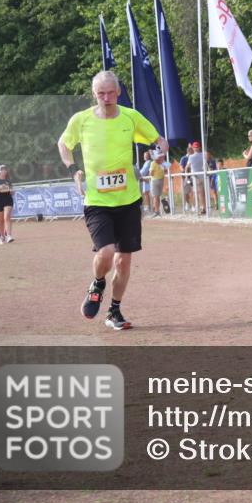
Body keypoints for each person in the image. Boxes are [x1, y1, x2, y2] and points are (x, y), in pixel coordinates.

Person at [58, 70, 168, 330]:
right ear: (94, 94)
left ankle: (114, 311)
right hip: (97, 202)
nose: (106, 98)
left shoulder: (131, 117)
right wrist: (72, 169)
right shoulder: (81, 120)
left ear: (118, 92)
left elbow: (158, 140)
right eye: (100, 93)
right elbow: (64, 143)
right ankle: (97, 283)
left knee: (123, 260)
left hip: (128, 200)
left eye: (110, 92)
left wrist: (160, 151)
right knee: (106, 252)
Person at [186, 141, 206, 215]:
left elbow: (187, 167)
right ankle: (203, 207)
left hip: (196, 177)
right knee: (202, 193)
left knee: (197, 193)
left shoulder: (191, 156)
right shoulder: (203, 154)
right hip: (203, 175)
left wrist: (187, 176)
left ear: (194, 148)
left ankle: (200, 208)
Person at [149, 151, 169, 217]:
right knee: (158, 196)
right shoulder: (163, 163)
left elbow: (151, 173)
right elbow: (166, 171)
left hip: (155, 180)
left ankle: (157, 211)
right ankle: (158, 210)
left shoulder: (153, 163)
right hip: (161, 180)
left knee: (156, 197)